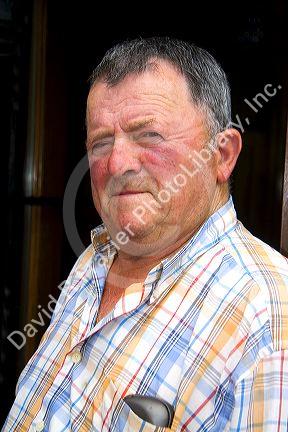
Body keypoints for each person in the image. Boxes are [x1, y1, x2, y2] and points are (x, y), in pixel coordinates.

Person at [3, 37, 288, 431]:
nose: (117, 163)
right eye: (101, 142)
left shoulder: (269, 319)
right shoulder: (96, 258)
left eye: (149, 135)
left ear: (222, 155)